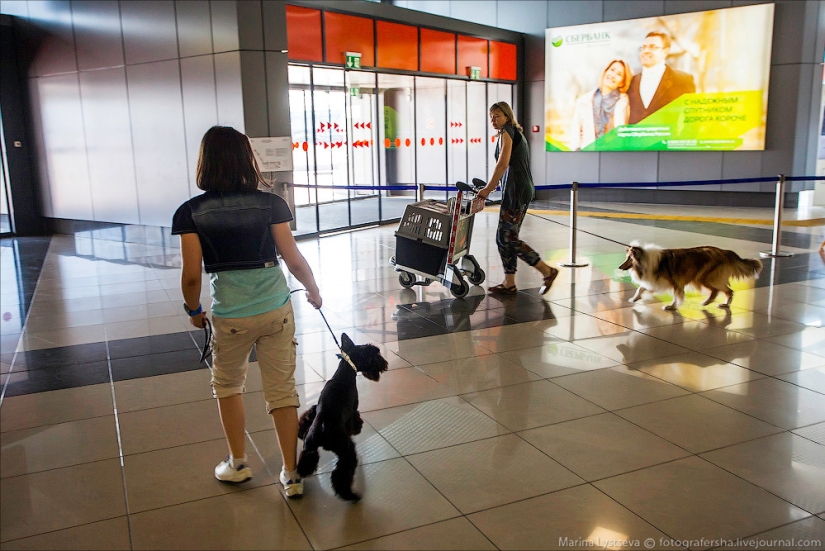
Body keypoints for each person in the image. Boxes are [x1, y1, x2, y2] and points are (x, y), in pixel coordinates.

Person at [172, 125, 322, 499]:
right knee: (282, 390)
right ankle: (291, 473)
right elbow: (293, 258)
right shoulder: (271, 204)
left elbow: (191, 275)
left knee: (227, 385)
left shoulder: (190, 212)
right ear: (246, 159)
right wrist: (314, 289)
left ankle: (237, 463)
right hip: (275, 309)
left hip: (231, 317)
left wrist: (194, 310)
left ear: (206, 162)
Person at [478, 102, 559, 296]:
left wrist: (487, 190)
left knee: (508, 238)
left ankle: (546, 271)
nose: (493, 120)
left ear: (507, 116)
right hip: (514, 190)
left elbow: (502, 164)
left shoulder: (508, 131)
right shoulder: (509, 132)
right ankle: (509, 282)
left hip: (516, 191)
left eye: (497, 116)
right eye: (491, 116)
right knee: (504, 238)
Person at [627, 31, 695, 124]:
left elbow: (691, 118)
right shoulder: (631, 81)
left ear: (665, 52)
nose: (646, 51)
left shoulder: (683, 80)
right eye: (643, 47)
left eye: (652, 47)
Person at [569, 59, 632, 150]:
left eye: (619, 74)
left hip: (614, 155)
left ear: (622, 82)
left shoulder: (623, 101)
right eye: (612, 70)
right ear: (605, 71)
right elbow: (575, 132)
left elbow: (622, 133)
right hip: (588, 155)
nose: (613, 75)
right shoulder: (584, 101)